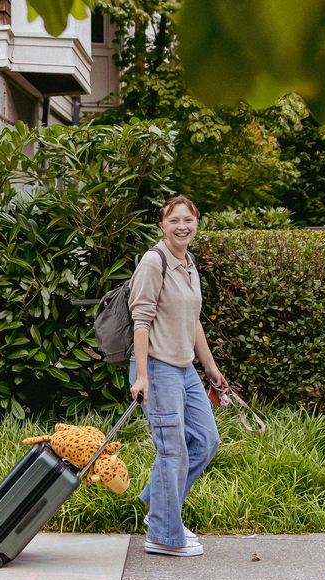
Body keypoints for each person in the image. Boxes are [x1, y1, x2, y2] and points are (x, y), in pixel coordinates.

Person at [127, 195, 225, 557]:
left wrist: (211, 369)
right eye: (174, 221)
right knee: (173, 451)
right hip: (156, 367)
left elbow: (192, 320)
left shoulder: (188, 262)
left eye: (189, 220)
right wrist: (142, 377)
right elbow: (142, 321)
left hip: (185, 369)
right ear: (162, 226)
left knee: (205, 441)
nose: (182, 226)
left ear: (196, 223)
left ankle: (162, 512)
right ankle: (164, 536)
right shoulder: (155, 262)